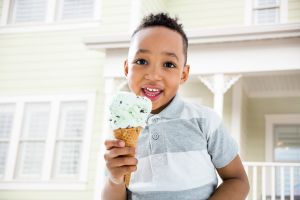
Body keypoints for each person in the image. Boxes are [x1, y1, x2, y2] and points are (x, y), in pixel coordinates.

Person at [102, 13, 250, 200]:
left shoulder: (205, 121)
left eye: (169, 64)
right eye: (141, 61)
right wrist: (115, 179)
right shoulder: (120, 133)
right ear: (126, 68)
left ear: (183, 74)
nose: (154, 75)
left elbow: (237, 180)